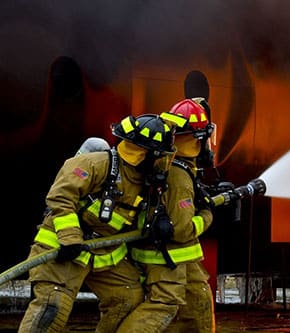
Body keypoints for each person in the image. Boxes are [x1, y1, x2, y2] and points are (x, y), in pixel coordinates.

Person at [18, 113, 182, 333]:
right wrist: (70, 238)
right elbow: (60, 197)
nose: (165, 164)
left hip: (104, 252)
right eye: (162, 157)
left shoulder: (146, 182)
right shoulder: (95, 164)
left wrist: (159, 218)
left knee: (127, 299)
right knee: (52, 308)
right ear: (146, 154)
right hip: (64, 249)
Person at [117, 98, 216, 333]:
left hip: (176, 259)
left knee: (196, 305)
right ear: (199, 139)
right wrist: (207, 214)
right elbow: (182, 230)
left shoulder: (170, 165)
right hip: (167, 257)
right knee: (164, 306)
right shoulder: (179, 177)